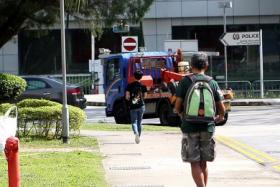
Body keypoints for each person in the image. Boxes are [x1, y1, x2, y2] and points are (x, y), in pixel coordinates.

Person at [175, 53, 226, 187]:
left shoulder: (186, 81)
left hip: (189, 127)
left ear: (191, 66)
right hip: (208, 127)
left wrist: (182, 115)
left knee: (194, 162)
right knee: (204, 162)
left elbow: (177, 106)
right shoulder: (212, 82)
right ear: (206, 66)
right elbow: (222, 108)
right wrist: (219, 117)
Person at [125, 70, 147, 144]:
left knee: (134, 122)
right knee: (139, 122)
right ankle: (138, 136)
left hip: (133, 106)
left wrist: (130, 99)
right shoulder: (143, 86)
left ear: (134, 76)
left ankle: (136, 133)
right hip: (141, 106)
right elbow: (145, 96)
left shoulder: (129, 85)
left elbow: (127, 97)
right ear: (141, 77)